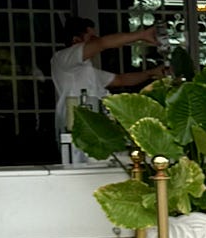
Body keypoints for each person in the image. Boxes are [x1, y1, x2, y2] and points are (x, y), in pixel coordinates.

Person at [50, 16, 165, 155]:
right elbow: (103, 43)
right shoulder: (63, 58)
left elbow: (120, 80)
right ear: (76, 40)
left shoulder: (86, 71)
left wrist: (152, 73)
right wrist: (141, 35)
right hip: (78, 128)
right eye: (92, 38)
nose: (95, 41)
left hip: (98, 129)